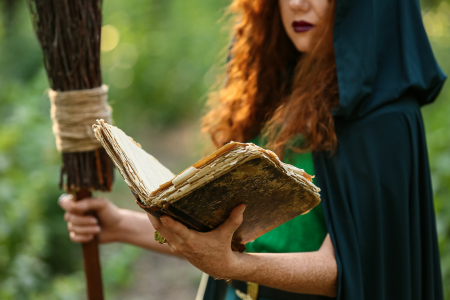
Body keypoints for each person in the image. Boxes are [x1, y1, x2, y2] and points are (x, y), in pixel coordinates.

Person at [59, 0, 446, 299]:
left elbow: (350, 268)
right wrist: (118, 224)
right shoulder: (277, 88)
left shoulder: (385, 118)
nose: (297, 3)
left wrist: (233, 264)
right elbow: (229, 237)